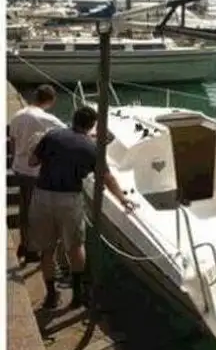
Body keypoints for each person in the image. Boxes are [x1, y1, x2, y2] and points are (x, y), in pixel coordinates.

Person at [29, 105, 136, 310]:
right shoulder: (91, 148)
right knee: (75, 247)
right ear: (92, 125)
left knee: (47, 250)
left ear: (73, 118)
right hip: (69, 199)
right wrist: (123, 199)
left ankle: (51, 296)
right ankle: (78, 296)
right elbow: (107, 178)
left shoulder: (52, 136)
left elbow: (32, 162)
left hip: (42, 196)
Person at [9, 84, 63, 263]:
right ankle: (32, 249)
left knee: (24, 207)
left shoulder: (17, 115)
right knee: (38, 212)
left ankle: (25, 243)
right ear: (51, 100)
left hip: (19, 167)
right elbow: (68, 134)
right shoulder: (47, 119)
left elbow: (13, 141)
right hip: (35, 171)